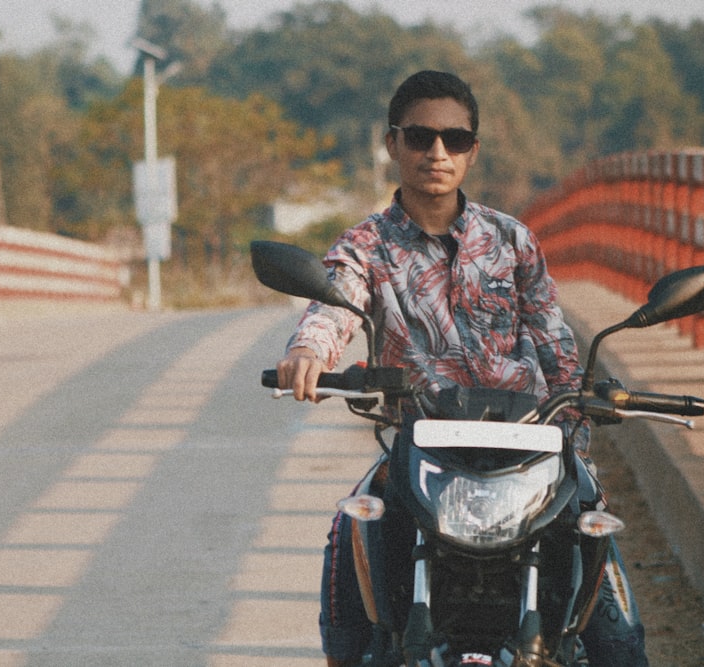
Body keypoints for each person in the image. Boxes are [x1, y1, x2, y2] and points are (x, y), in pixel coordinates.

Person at [275, 71, 648, 667]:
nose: (437, 152)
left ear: (472, 149)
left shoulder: (512, 240)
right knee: (352, 535)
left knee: (614, 635)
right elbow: (333, 302)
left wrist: (584, 410)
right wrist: (309, 352)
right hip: (425, 450)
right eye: (420, 136)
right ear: (393, 143)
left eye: (454, 138)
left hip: (528, 445)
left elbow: (555, 345)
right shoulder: (367, 246)